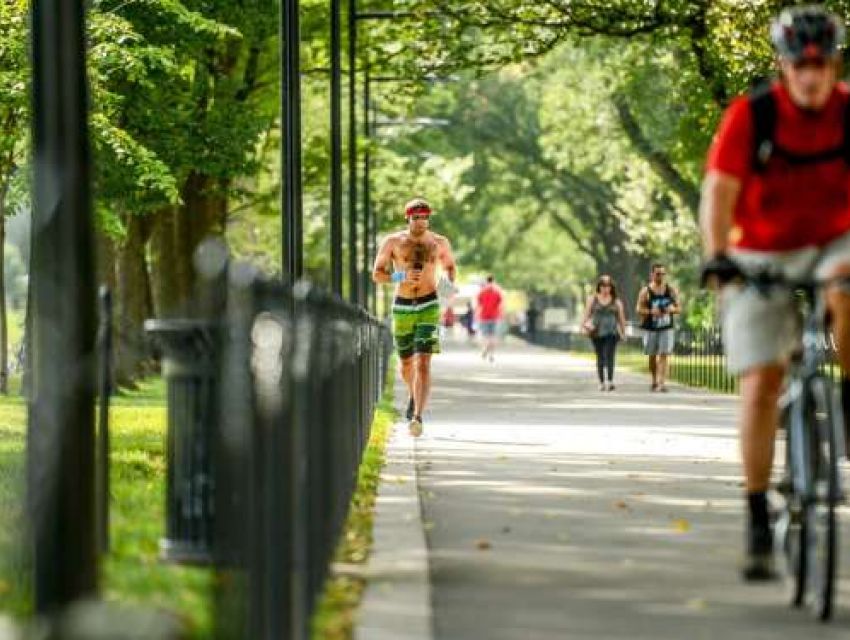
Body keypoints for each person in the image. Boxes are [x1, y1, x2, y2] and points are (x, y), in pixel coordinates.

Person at [699, 5, 850, 580]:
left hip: (836, 238)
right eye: (800, 64)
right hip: (760, 250)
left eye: (821, 64)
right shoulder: (753, 116)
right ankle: (758, 515)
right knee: (762, 381)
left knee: (844, 290)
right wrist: (718, 256)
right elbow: (719, 192)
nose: (811, 75)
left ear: (834, 64)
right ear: (783, 66)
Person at [372, 198, 457, 437]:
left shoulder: (439, 242)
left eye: (424, 217)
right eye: (416, 217)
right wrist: (401, 277)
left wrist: (447, 286)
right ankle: (413, 395)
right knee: (407, 363)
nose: (421, 222)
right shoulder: (393, 242)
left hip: (429, 305)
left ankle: (418, 416)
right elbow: (377, 274)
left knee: (424, 362)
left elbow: (450, 267)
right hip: (402, 306)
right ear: (407, 218)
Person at [636, 264, 681, 392]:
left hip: (666, 327)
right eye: (657, 273)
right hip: (650, 327)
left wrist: (672, 309)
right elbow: (638, 309)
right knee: (652, 355)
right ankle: (654, 379)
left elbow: (679, 308)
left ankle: (662, 383)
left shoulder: (671, 290)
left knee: (664, 354)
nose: (660, 276)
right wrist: (651, 311)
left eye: (662, 274)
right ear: (652, 274)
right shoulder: (646, 291)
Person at [580, 275, 627, 391]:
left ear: (611, 287)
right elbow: (586, 315)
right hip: (597, 332)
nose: (605, 288)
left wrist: (623, 332)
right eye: (603, 286)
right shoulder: (593, 299)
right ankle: (601, 382)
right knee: (600, 356)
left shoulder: (616, 301)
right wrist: (583, 327)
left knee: (609, 355)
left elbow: (621, 318)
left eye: (608, 286)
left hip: (612, 332)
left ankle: (610, 381)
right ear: (599, 287)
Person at [476, 275, 504, 362]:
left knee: (485, 336)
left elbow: (478, 305)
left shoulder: (481, 292)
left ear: (486, 281)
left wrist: (476, 315)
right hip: (495, 317)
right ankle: (491, 354)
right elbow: (501, 304)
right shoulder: (497, 292)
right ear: (493, 281)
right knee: (493, 336)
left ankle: (485, 349)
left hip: (483, 316)